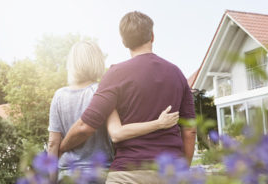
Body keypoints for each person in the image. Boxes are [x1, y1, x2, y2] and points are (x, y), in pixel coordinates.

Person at [59, 11, 196, 184]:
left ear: (124, 42)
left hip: (128, 174)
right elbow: (190, 131)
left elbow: (85, 126)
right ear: (152, 36)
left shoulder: (115, 74)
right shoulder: (177, 74)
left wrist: (61, 147)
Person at [47, 40, 179, 183]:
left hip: (67, 174)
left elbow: (53, 143)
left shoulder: (59, 96)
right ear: (97, 62)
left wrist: (51, 180)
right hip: (100, 172)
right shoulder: (103, 92)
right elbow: (117, 132)